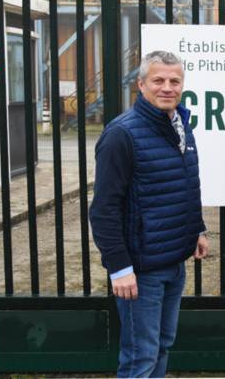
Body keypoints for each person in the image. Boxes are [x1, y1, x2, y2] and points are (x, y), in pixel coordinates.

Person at [90, 50, 208, 379]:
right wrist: (119, 268)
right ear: (141, 85)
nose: (167, 87)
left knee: (161, 346)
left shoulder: (180, 125)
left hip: (174, 263)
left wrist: (196, 229)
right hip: (141, 274)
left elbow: (182, 185)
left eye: (174, 81)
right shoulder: (122, 134)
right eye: (158, 80)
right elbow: (103, 209)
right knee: (140, 357)